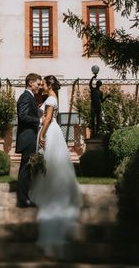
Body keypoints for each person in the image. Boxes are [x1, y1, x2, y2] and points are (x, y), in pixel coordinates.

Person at [30, 75, 82, 259]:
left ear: (50, 85)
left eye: (43, 83)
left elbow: (48, 119)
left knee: (49, 160)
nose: (41, 86)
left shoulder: (51, 99)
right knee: (50, 161)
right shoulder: (51, 98)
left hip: (49, 131)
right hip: (52, 131)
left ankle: (50, 190)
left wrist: (42, 135)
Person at [15, 72, 42, 208]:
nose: (39, 87)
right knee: (25, 169)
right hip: (27, 137)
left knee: (25, 168)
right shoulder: (25, 97)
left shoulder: (29, 96)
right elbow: (23, 116)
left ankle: (24, 197)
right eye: (38, 84)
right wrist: (39, 120)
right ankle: (23, 199)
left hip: (30, 136)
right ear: (30, 83)